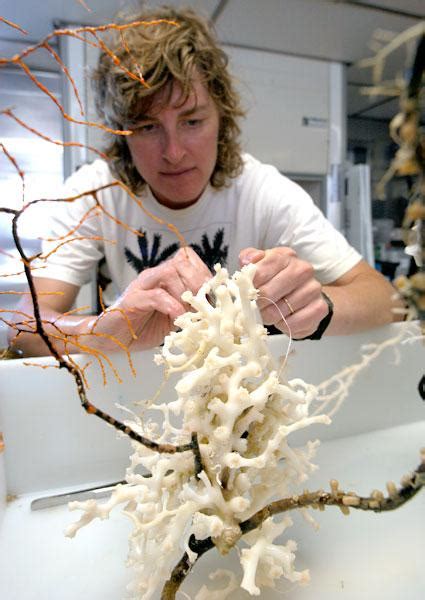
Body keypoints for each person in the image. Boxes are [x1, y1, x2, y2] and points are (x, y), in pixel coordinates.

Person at [9, 6, 403, 357]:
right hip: (134, 385)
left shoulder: (263, 190)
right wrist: (99, 332)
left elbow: (386, 299)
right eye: (147, 127)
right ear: (122, 134)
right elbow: (22, 326)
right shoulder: (93, 193)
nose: (174, 152)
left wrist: (320, 307)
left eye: (192, 121)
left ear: (222, 117)